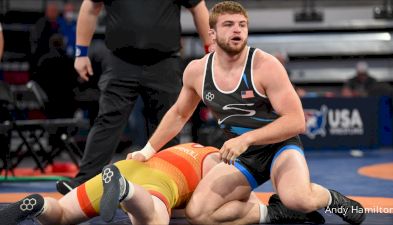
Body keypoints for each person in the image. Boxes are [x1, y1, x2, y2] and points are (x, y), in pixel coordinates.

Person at [130, 2, 366, 225]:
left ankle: (332, 199)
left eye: (242, 25)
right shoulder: (197, 71)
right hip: (243, 155)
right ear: (211, 34)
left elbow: (296, 121)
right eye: (229, 24)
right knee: (198, 215)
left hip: (278, 146)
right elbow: (180, 114)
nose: (237, 30)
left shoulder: (265, 65)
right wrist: (147, 150)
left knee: (299, 199)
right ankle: (275, 213)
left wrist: (247, 138)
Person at [56, 0, 214, 194]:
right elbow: (90, 7)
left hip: (163, 60)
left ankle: (167, 183)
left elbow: (198, 8)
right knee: (107, 119)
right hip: (121, 60)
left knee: (166, 120)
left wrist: (210, 50)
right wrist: (81, 53)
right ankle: (84, 183)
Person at [0, 143, 324, 225]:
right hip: (157, 181)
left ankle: (39, 206)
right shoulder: (220, 165)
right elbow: (230, 207)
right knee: (154, 218)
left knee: (63, 216)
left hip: (129, 164)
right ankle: (126, 192)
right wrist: (270, 211)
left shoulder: (186, 148)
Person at [29, 1, 60, 72]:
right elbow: (36, 43)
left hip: (56, 58)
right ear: (46, 12)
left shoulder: (59, 24)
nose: (53, 13)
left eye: (55, 11)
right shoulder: (41, 24)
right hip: (42, 58)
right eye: (51, 11)